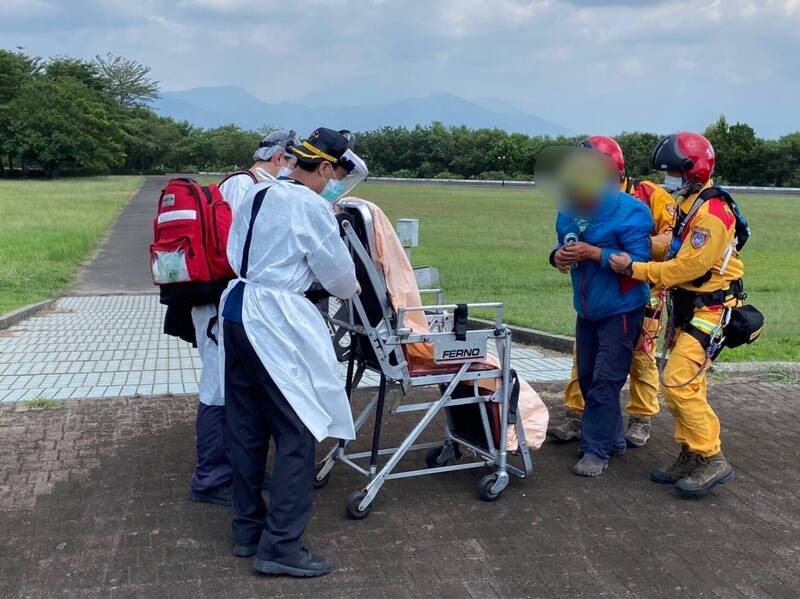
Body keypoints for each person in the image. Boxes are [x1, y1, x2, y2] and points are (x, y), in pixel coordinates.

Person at [220, 127, 367, 577]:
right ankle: (282, 545)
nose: (335, 184)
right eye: (336, 175)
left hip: (237, 309)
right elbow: (341, 280)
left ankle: (247, 529)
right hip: (274, 321)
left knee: (246, 428)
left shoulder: (257, 192)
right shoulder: (309, 205)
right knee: (298, 431)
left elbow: (234, 252)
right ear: (325, 167)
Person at [610, 132, 742, 496]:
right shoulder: (693, 203)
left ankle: (711, 456)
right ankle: (691, 452)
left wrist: (633, 268)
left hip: (712, 310)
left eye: (672, 173)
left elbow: (682, 268)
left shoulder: (712, 215)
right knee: (688, 383)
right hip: (689, 308)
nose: (668, 180)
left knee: (678, 382)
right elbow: (672, 248)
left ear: (693, 171)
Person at [188, 130, 297, 507]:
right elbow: (242, 251)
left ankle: (235, 469)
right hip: (221, 300)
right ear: (280, 158)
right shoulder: (243, 186)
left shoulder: (247, 184)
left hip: (229, 302)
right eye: (293, 162)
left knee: (234, 389)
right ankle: (211, 477)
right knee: (217, 388)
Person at [548, 136, 676, 448]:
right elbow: (565, 240)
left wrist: (602, 253)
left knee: (626, 366)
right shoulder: (572, 206)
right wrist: (557, 256)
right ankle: (604, 431)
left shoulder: (643, 200)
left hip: (634, 296)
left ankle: (621, 431)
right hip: (589, 304)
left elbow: (669, 242)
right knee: (589, 371)